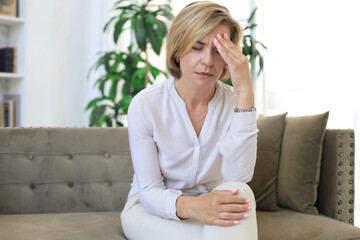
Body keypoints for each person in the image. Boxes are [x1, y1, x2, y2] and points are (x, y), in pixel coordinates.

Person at [121, 1, 258, 239]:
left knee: (240, 191)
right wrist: (195, 207)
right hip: (152, 211)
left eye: (219, 51)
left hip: (213, 206)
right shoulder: (146, 105)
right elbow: (150, 191)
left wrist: (245, 91)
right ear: (177, 50)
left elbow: (238, 177)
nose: (208, 61)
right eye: (197, 47)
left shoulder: (235, 102)